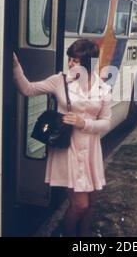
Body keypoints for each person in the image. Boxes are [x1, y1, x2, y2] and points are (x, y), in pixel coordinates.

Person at [13, 39, 113, 237]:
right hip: (69, 149)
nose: (70, 64)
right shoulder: (60, 81)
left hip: (91, 150)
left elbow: (107, 121)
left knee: (90, 203)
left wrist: (84, 123)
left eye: (75, 60)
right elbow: (28, 89)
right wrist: (15, 65)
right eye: (70, 59)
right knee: (80, 204)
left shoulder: (102, 88)